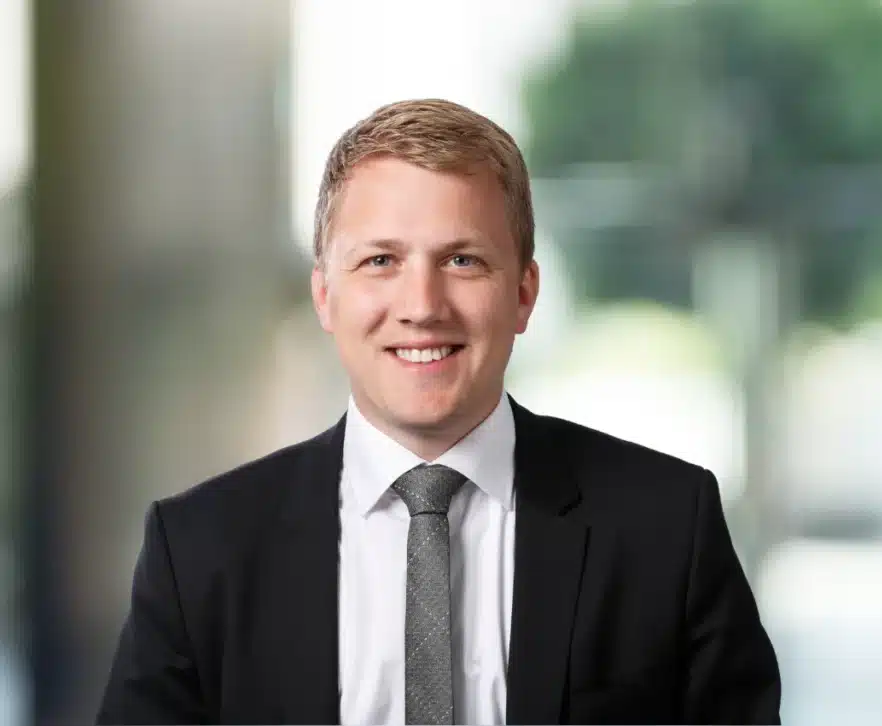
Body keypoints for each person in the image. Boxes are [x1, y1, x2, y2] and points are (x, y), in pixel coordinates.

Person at [97, 98, 781, 725]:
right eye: (380, 261)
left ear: (524, 293)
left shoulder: (666, 527)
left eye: (462, 260)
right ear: (325, 295)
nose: (422, 307)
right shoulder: (201, 549)